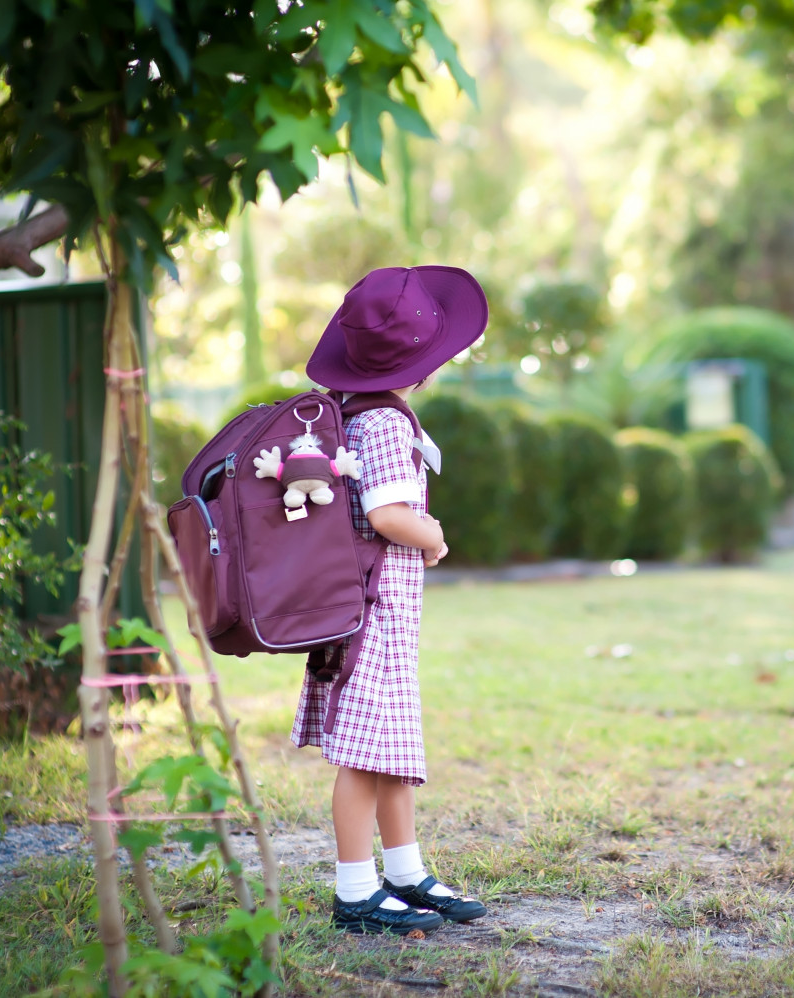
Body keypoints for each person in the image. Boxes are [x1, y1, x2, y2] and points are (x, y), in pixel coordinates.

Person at [291, 266, 491, 935]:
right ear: (422, 364)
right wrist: (432, 536)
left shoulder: (362, 413)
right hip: (369, 613)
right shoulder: (381, 423)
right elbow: (386, 514)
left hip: (380, 613)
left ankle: (405, 873)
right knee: (361, 755)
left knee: (393, 749)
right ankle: (355, 889)